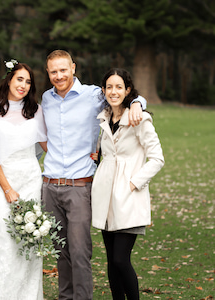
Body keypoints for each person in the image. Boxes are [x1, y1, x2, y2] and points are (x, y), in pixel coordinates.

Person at [41, 50, 146, 300]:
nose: (59, 75)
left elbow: (124, 93)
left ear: (73, 68)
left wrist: (137, 104)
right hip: (49, 186)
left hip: (80, 186)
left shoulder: (93, 95)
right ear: (48, 73)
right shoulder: (45, 98)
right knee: (60, 252)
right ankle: (65, 297)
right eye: (54, 71)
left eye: (63, 69)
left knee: (79, 252)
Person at [91, 68, 164, 299]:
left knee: (121, 259)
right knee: (111, 261)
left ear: (128, 90)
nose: (114, 91)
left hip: (128, 198)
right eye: (109, 87)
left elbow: (157, 159)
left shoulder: (139, 118)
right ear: (104, 91)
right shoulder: (103, 118)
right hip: (105, 198)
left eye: (119, 87)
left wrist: (133, 184)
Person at [0, 61, 47, 299]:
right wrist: (7, 188)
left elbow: (50, 146)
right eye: (20, 79)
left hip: (30, 179)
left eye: (28, 82)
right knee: (4, 242)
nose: (24, 85)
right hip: (0, 182)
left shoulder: (36, 111)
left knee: (29, 241)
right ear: (9, 80)